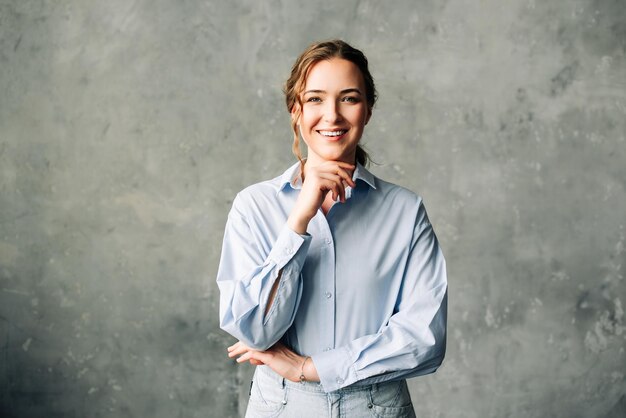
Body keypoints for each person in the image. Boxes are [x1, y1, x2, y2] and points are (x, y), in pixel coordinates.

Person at [216, 39, 447, 418]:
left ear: (368, 110)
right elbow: (256, 332)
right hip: (281, 407)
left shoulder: (405, 211)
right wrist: (298, 221)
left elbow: (425, 339)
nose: (332, 116)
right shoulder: (253, 206)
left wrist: (311, 369)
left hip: (376, 408)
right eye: (316, 99)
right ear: (296, 110)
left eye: (349, 98)